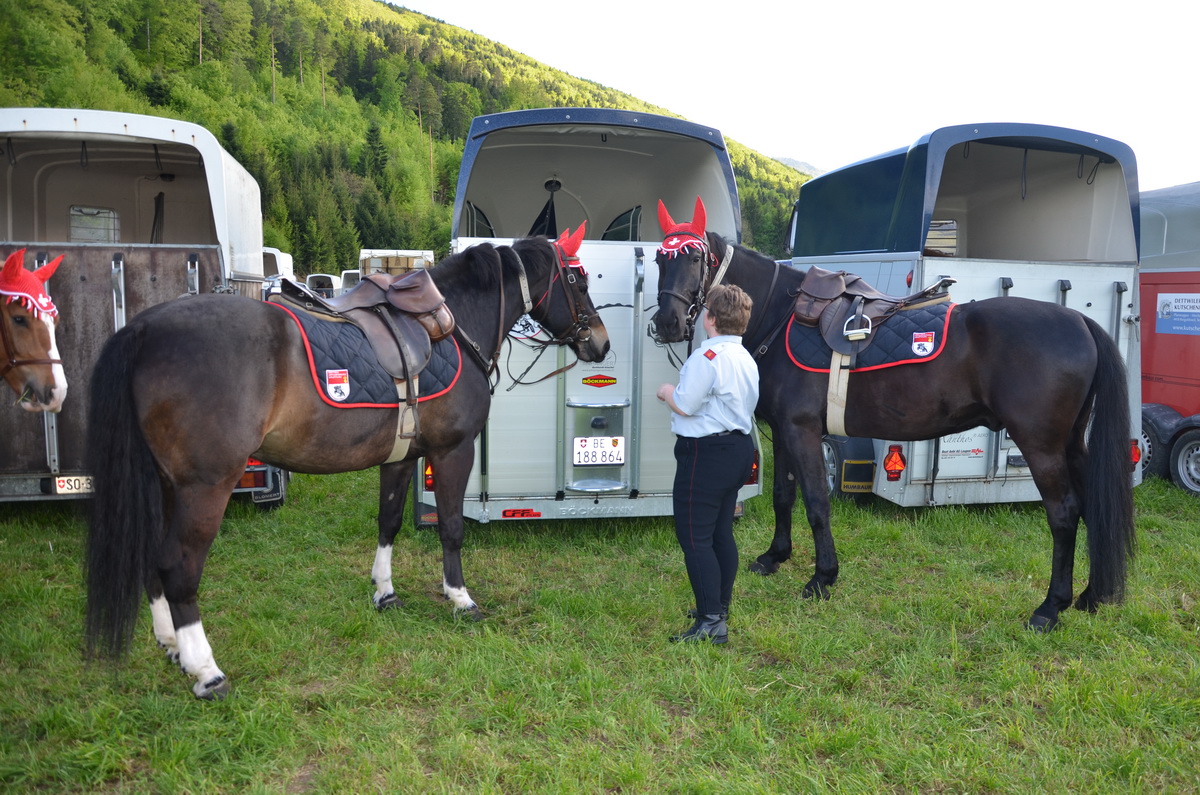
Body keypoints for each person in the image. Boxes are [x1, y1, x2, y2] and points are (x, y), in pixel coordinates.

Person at [656, 283, 759, 644]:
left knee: (695, 538)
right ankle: (718, 606)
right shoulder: (744, 356)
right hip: (738, 448)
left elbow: (685, 404)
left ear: (710, 319)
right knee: (719, 533)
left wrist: (666, 391)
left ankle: (711, 622)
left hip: (706, 454)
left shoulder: (708, 357)